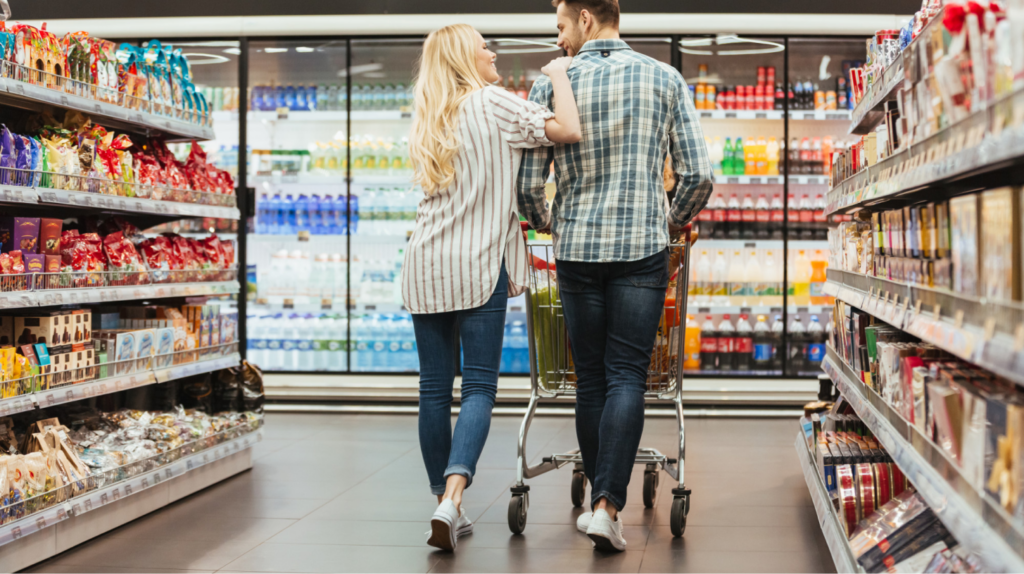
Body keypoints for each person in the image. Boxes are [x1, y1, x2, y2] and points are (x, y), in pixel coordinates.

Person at [517, 0, 714, 552]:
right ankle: (608, 505)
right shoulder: (664, 78)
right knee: (629, 372)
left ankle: (601, 500)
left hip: (577, 251)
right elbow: (698, 175)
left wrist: (554, 223)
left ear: (585, 18)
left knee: (592, 378)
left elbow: (530, 188)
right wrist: (667, 222)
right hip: (641, 249)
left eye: (560, 25)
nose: (559, 40)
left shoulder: (551, 85)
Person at [403, 23, 581, 552]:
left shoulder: (430, 113)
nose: (493, 52)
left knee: (434, 389)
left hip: (425, 263)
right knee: (479, 386)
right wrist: (559, 74)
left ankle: (442, 499)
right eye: (485, 46)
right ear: (465, 56)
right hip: (479, 264)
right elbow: (568, 129)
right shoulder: (494, 103)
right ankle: (454, 499)